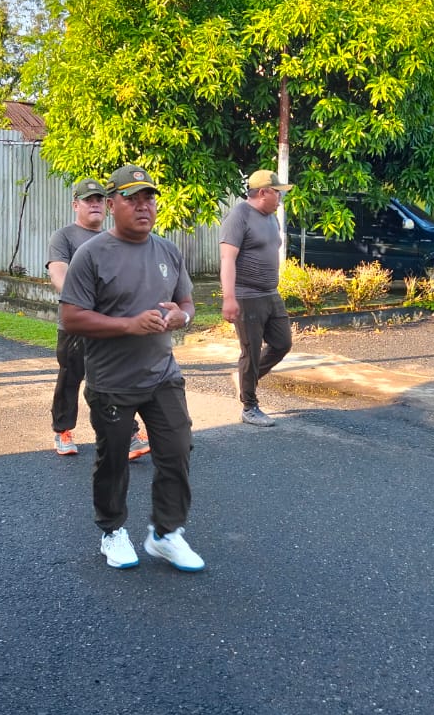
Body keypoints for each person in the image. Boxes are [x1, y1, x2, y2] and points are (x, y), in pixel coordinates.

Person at [60, 164, 202, 572]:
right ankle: (112, 530)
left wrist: (181, 317)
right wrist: (128, 325)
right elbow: (71, 317)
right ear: (111, 205)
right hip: (112, 381)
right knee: (114, 460)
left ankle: (166, 534)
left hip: (162, 374)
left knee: (177, 450)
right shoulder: (91, 255)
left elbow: (187, 303)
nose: (143, 206)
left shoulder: (168, 250)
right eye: (132, 199)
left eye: (149, 199)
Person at [45, 178, 152, 460]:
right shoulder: (64, 237)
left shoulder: (114, 238)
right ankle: (63, 429)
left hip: (111, 324)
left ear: (107, 205)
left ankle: (128, 434)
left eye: (99, 200)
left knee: (115, 378)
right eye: (88, 200)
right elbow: (58, 272)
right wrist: (84, 300)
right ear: (75, 205)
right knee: (71, 377)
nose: (94, 205)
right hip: (78, 322)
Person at [220, 169, 294, 427]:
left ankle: (245, 380)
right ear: (263, 192)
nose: (280, 198)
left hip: (271, 293)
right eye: (277, 193)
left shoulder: (272, 218)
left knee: (282, 343)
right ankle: (249, 407)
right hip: (247, 295)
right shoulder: (239, 216)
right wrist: (229, 298)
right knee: (250, 352)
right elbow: (227, 259)